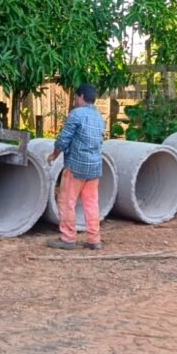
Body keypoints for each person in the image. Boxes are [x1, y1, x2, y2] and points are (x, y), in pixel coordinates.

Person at [46, 83, 106, 251]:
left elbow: (63, 140)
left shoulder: (77, 114)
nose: (75, 100)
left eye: (76, 97)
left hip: (76, 166)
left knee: (67, 202)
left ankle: (68, 238)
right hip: (94, 167)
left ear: (81, 96)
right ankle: (94, 240)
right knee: (91, 203)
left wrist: (54, 155)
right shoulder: (99, 117)